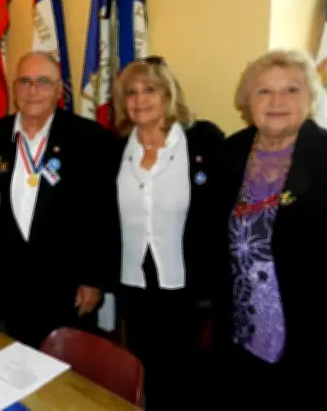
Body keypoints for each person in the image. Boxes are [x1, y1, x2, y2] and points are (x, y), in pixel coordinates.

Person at [211, 49, 327, 410]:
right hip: (240, 325)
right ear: (247, 101)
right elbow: (213, 231)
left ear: (310, 98)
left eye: (291, 90)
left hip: (312, 336)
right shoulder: (231, 152)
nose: (277, 101)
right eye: (264, 91)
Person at [0, 51, 120, 348]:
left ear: (58, 90)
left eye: (43, 82)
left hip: (68, 285)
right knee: (16, 361)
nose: (32, 91)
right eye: (25, 82)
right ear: (14, 89)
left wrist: (93, 281)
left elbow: (103, 217)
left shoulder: (90, 139)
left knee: (67, 367)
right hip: (10, 282)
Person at [112, 56, 225, 410]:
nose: (139, 99)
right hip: (134, 279)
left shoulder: (203, 140)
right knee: (144, 365)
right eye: (131, 92)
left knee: (182, 371)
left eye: (149, 89)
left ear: (168, 94)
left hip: (186, 280)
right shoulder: (115, 148)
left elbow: (222, 209)